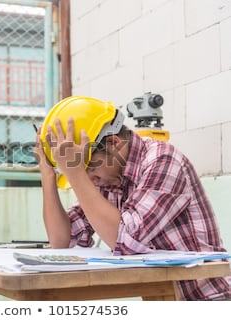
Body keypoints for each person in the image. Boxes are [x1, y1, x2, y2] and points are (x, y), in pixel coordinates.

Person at [34, 96, 231, 301]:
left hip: (208, 301)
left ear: (113, 143)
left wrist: (75, 173)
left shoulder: (162, 160)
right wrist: (47, 175)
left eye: (91, 168)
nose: (90, 180)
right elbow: (61, 241)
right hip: (164, 301)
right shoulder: (107, 178)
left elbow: (124, 241)